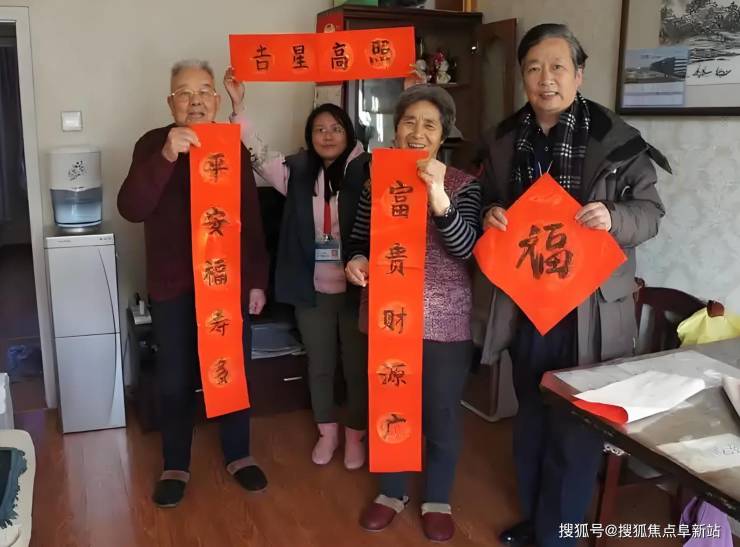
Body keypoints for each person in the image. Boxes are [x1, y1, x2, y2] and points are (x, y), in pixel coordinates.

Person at [477, 24, 670, 547]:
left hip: (590, 309)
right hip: (526, 302)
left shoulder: (615, 138)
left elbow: (650, 212)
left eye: (558, 66)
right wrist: (491, 212)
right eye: (534, 68)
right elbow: (485, 199)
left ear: (579, 74)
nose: (546, 79)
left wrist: (613, 217)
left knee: (576, 428)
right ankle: (538, 521)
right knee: (531, 419)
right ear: (523, 77)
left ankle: (559, 534)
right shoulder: (503, 139)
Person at [118, 59, 270, 508]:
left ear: (216, 100)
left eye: (204, 91)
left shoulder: (230, 145)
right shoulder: (152, 143)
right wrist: (167, 156)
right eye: (184, 93)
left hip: (225, 284)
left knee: (232, 370)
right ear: (171, 103)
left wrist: (256, 280)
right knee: (175, 377)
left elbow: (250, 219)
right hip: (173, 285)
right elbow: (130, 207)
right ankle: (175, 463)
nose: (195, 100)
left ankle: (239, 453)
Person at [345, 84, 481, 543]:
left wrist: (439, 196)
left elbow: (466, 250)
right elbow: (359, 240)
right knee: (389, 403)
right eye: (409, 122)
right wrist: (356, 261)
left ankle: (437, 498)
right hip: (388, 318)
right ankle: (391, 492)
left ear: (443, 135)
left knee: (441, 414)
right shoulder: (376, 180)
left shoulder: (463, 184)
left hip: (444, 321)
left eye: (430, 125)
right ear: (395, 129)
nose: (417, 132)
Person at [223, 68, 369, 469]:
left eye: (335, 128)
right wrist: (238, 106)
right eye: (319, 129)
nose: (327, 135)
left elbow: (405, 164)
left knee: (357, 369)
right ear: (310, 136)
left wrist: (415, 95)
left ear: (349, 133)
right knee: (319, 366)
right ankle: (327, 433)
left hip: (358, 289)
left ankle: (355, 436)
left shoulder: (368, 171)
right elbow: (256, 153)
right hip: (312, 290)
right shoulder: (297, 171)